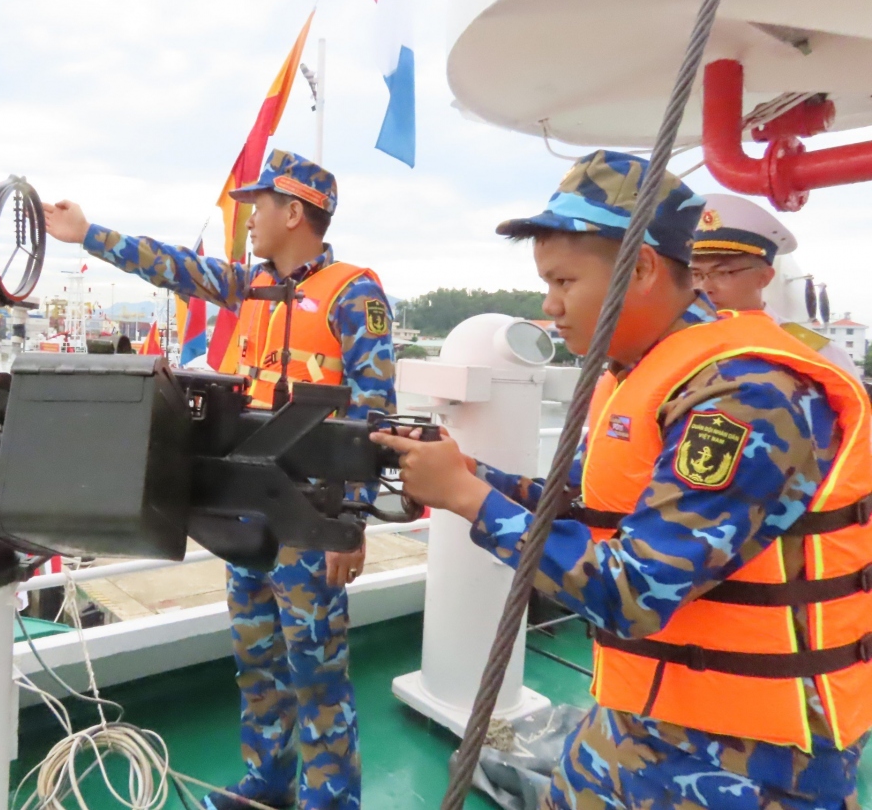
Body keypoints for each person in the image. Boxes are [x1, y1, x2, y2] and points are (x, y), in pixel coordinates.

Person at [372, 150, 872, 810]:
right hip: (639, 719)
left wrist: (467, 498)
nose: (548, 306)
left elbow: (634, 591)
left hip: (749, 761)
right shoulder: (643, 372)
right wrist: (462, 471)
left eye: (563, 282)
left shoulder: (744, 398)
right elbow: (590, 501)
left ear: (638, 268)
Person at [43, 149, 395, 810]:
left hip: (309, 519)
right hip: (245, 511)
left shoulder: (355, 295)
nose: (249, 221)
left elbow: (373, 418)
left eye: (257, 208)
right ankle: (267, 785)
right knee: (258, 658)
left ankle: (330, 802)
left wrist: (352, 520)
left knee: (316, 673)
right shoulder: (247, 283)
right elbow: (175, 265)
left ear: (295, 212)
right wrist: (87, 233)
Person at [691, 193, 861, 377]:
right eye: (695, 274)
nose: (704, 287)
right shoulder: (677, 343)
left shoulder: (816, 354)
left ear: (765, 277)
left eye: (722, 273)